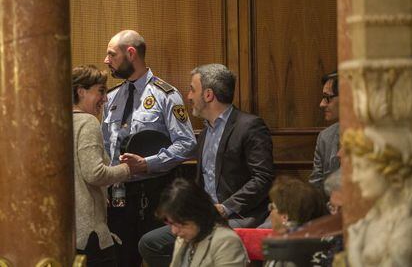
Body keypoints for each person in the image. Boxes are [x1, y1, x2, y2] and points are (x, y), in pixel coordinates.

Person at [139, 63, 274, 266]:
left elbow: (262, 178)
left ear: (209, 95)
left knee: (208, 239)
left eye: (193, 90)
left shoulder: (250, 126)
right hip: (203, 215)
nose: (189, 97)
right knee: (150, 243)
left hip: (238, 215)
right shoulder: (204, 132)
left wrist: (226, 207)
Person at [102, 30, 196, 266]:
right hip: (118, 196)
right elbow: (105, 146)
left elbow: (187, 143)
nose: (106, 61)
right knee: (122, 259)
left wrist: (148, 163)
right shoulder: (111, 98)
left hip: (154, 193)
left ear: (131, 53)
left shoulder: (166, 95)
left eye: (112, 55)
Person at [72, 65, 142, 266]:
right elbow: (95, 174)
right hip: (90, 231)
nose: (105, 98)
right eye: (100, 91)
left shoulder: (60, 122)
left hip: (71, 230)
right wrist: (129, 169)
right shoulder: (87, 122)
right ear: (81, 91)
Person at [344, 127, 412, 267]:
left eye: (362, 167)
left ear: (390, 169)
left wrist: (355, 255)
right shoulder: (368, 222)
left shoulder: (406, 227)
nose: (355, 178)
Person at [157, 178, 248, 267]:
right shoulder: (182, 240)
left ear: (198, 215)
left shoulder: (226, 241)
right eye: (171, 223)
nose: (174, 231)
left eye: (180, 224)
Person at [309, 71, 340, 193]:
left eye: (327, 98)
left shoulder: (371, 135)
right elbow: (315, 188)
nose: (322, 104)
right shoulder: (325, 137)